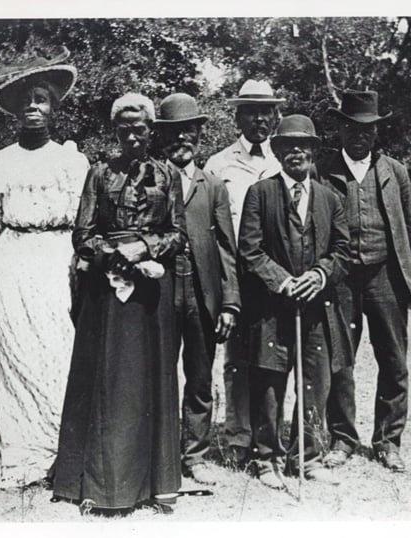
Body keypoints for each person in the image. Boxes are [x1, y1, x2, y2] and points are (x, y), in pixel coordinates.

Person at [53, 93, 187, 514]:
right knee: (105, 381)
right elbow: (83, 233)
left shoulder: (168, 175)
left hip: (151, 295)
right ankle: (100, 485)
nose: (132, 135)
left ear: (151, 131)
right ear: (115, 131)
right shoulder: (98, 174)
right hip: (105, 294)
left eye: (140, 128)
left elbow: (178, 233)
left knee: (149, 381)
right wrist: (116, 256)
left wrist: (145, 248)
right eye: (124, 128)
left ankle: (150, 486)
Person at [0, 49, 90, 488]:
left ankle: (59, 451)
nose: (33, 107)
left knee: (56, 354)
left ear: (54, 105)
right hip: (14, 265)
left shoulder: (71, 161)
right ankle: (20, 453)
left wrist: (80, 273)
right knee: (16, 357)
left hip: (57, 266)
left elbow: (82, 227)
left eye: (41, 99)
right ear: (16, 110)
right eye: (26, 100)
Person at [238, 114, 350, 489]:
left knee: (314, 383)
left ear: (315, 151)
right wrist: (283, 282)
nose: (296, 151)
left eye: (304, 145)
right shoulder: (261, 193)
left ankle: (308, 456)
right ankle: (265, 457)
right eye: (287, 145)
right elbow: (249, 251)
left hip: (316, 308)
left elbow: (343, 250)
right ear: (277, 150)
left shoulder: (330, 198)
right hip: (272, 308)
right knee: (270, 381)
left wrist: (318, 275)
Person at [320, 90, 411, 473]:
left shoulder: (395, 172)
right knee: (339, 361)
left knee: (393, 360)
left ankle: (388, 441)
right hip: (341, 278)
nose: (359, 135)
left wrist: (389, 262)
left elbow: (410, 227)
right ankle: (342, 438)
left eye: (368, 129)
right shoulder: (323, 169)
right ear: (340, 129)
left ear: (376, 132)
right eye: (351, 127)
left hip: (384, 277)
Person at [154, 93, 241, 485]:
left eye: (189, 132)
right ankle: (160, 452)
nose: (182, 140)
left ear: (199, 136)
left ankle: (196, 454)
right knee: (159, 373)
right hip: (160, 291)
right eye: (174, 133)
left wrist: (230, 304)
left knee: (200, 377)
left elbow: (227, 248)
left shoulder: (214, 185)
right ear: (163, 138)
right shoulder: (151, 179)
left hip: (203, 292)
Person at [203, 79, 284, 466]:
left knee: (271, 359)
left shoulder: (284, 160)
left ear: (275, 115)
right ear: (237, 115)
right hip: (234, 275)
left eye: (266, 111)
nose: (260, 119)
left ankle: (271, 437)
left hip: (274, 277)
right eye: (251, 111)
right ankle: (237, 439)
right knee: (236, 359)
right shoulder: (218, 164)